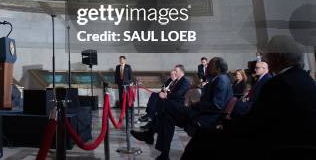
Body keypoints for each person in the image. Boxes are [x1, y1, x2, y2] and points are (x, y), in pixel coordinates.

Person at [182, 36, 316, 159]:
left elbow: (256, 121)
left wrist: (225, 125)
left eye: (268, 55)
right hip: (301, 142)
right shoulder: (307, 80)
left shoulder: (279, 83)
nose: (267, 59)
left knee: (203, 138)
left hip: (277, 145)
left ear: (278, 56)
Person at [132, 57, 233, 160]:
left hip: (204, 118)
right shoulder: (220, 79)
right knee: (167, 117)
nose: (207, 67)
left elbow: (217, 105)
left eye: (210, 65)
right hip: (201, 113)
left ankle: (150, 133)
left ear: (217, 68)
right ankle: (164, 154)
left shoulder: (221, 80)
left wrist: (195, 105)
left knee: (166, 104)